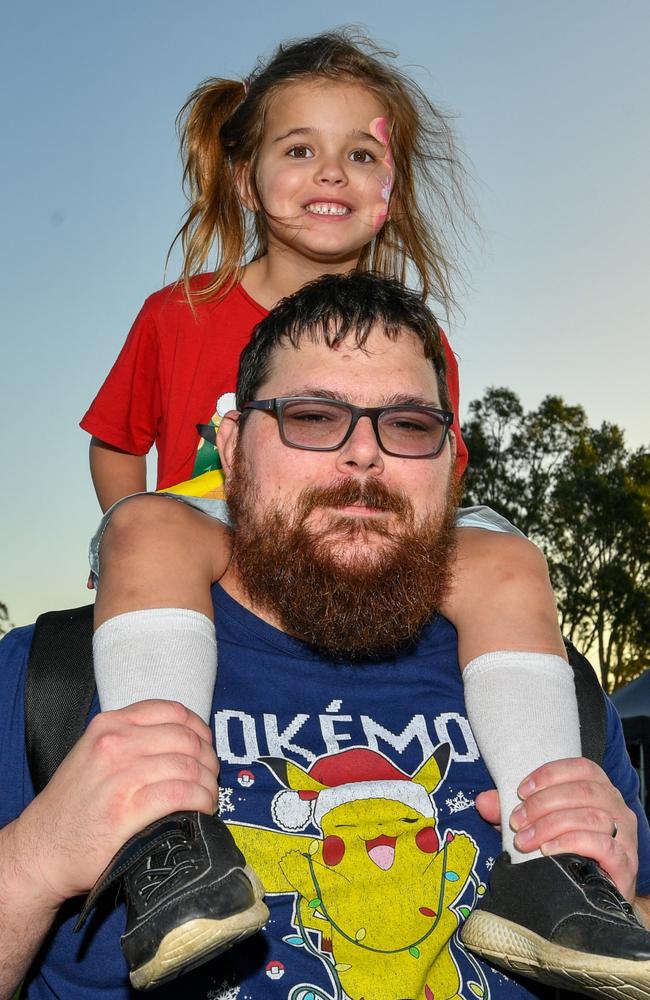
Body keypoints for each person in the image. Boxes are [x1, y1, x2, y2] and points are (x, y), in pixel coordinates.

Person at [79, 30, 584, 988]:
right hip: (217, 537)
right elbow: (114, 441)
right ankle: (169, 838)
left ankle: (552, 863)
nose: (332, 171)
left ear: (393, 186)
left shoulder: (419, 337)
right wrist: (136, 544)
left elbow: (428, 481)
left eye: (363, 153)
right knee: (142, 524)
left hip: (350, 536)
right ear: (243, 177)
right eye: (299, 148)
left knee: (512, 557)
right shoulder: (177, 313)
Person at [1, 273, 649, 1000]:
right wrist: (32, 860)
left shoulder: (552, 692)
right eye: (312, 416)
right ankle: (172, 846)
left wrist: (621, 898)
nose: (364, 455)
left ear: (450, 463)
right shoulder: (50, 681)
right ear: (232, 447)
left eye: (407, 425)